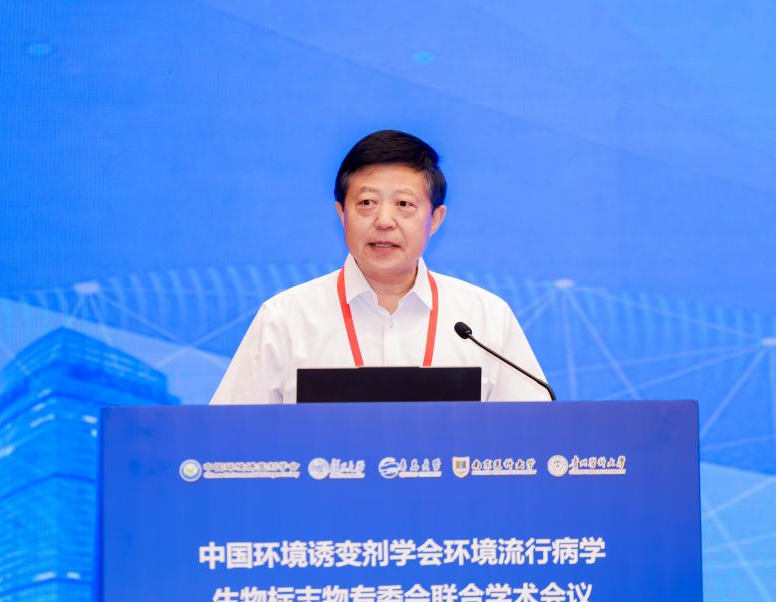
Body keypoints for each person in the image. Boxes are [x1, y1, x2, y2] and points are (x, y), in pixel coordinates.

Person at [210, 130, 551, 404]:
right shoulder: (285, 319)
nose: (384, 220)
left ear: (435, 219)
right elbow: (230, 440)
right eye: (367, 203)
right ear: (342, 214)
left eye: (404, 204)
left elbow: (533, 437)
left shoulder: (484, 319)